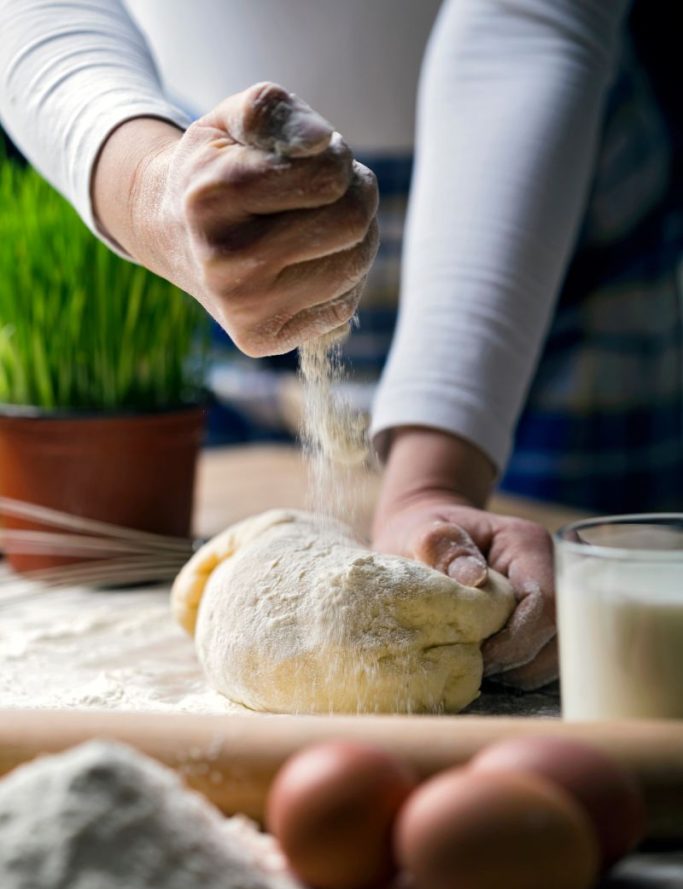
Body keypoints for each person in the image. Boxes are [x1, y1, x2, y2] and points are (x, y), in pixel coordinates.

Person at [0, 1, 679, 689]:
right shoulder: (203, 209)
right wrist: (152, 193)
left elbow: (528, 17)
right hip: (215, 199)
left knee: (566, 652)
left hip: (535, 228)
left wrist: (432, 481)